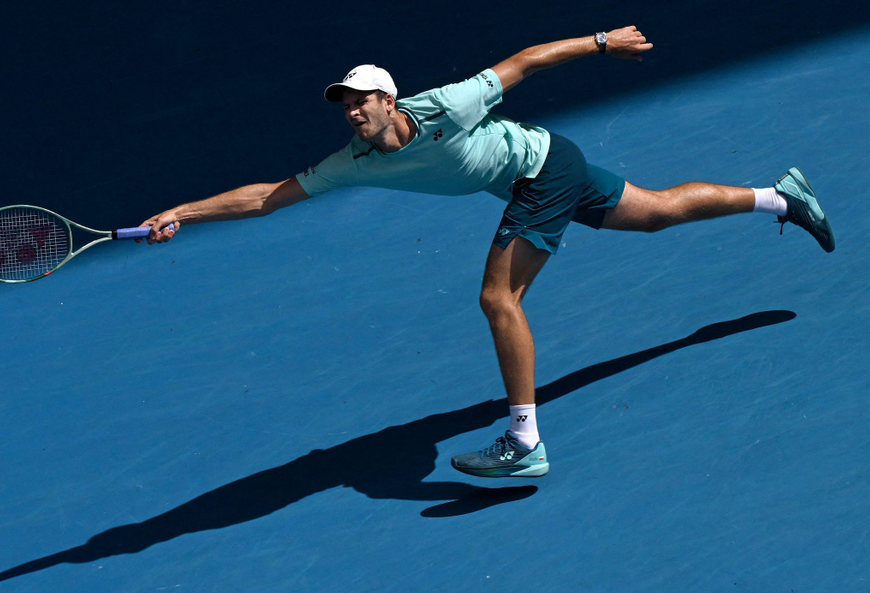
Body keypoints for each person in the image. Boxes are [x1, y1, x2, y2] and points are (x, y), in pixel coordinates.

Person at [139, 26, 835, 479]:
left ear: (388, 98)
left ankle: (525, 440)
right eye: (343, 105)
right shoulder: (355, 160)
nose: (351, 112)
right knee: (655, 214)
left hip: (542, 171)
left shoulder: (446, 104)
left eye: (360, 101)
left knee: (498, 297)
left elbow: (525, 62)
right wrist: (182, 212)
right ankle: (780, 195)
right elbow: (269, 194)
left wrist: (601, 42)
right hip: (541, 163)